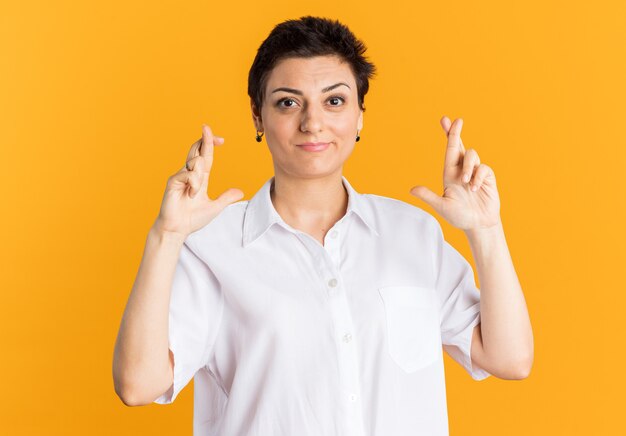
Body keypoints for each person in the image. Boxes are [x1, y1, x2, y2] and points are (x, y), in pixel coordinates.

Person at [112, 15, 533, 436]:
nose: (313, 123)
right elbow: (138, 385)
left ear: (359, 115)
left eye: (334, 101)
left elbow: (509, 359)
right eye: (288, 102)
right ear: (258, 117)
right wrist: (166, 236)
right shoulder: (213, 247)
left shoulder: (414, 235)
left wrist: (485, 229)